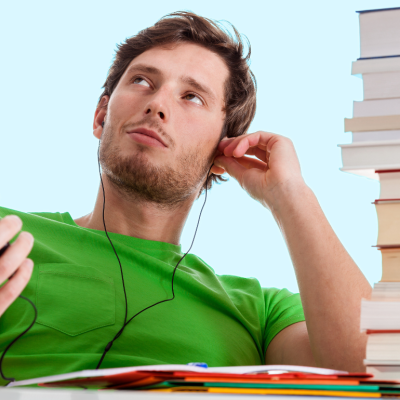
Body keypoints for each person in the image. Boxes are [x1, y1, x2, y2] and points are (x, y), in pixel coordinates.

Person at [0, 11, 372, 384]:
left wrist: (290, 196)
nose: (157, 104)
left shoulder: (261, 312)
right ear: (101, 116)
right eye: (143, 80)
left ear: (224, 154)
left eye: (192, 97)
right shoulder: (7, 236)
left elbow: (370, 371)